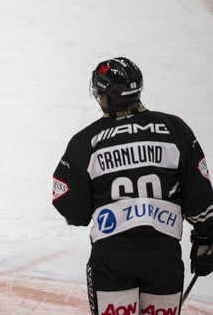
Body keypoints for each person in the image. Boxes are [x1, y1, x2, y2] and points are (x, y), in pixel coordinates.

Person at [52, 57, 213, 315]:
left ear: (106, 96)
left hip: (112, 260)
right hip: (164, 260)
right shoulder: (175, 130)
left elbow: (71, 206)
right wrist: (205, 238)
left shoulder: (86, 141)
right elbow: (200, 195)